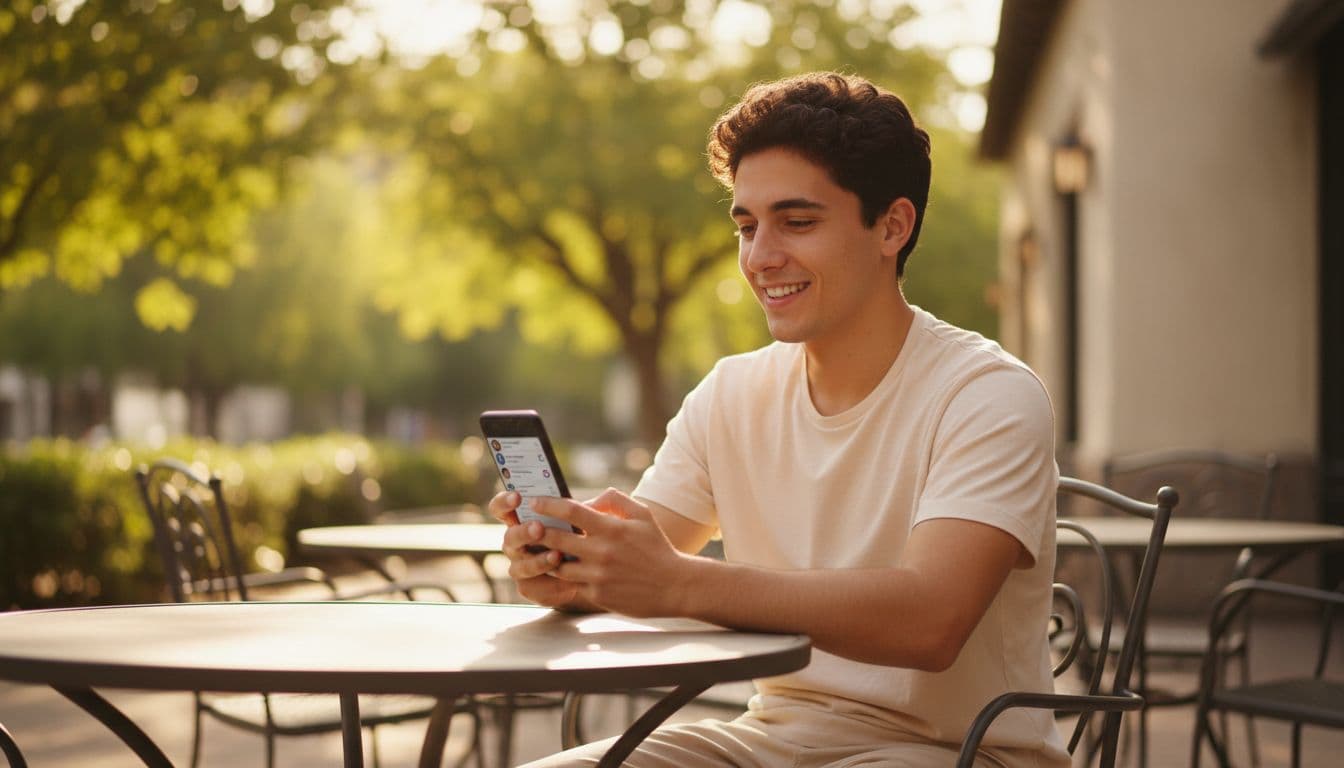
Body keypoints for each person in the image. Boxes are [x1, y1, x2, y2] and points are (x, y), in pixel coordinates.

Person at [491, 72, 1067, 768]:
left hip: (960, 753)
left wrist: (679, 582)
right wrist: (568, 565)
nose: (760, 257)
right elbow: (636, 562)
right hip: (769, 740)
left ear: (892, 226)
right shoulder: (731, 393)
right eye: (746, 225)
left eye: (797, 222)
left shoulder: (988, 395)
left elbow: (930, 621)